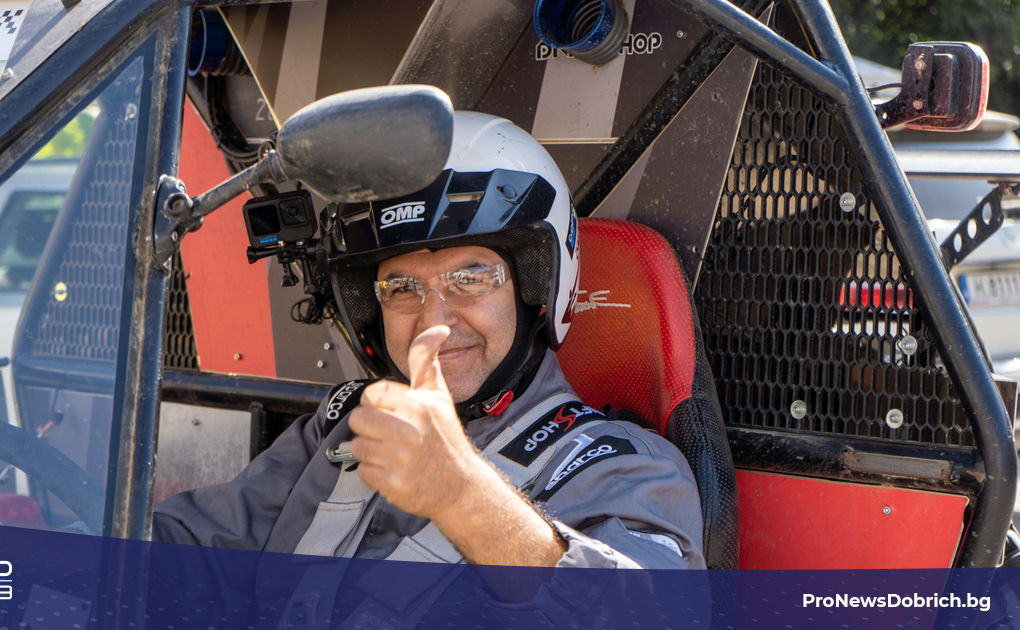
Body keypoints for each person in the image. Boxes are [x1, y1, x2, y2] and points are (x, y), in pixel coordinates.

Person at [151, 112, 706, 576]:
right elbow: (176, 550)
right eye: (401, 288)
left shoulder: (623, 466)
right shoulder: (345, 425)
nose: (433, 320)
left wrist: (461, 493)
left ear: (535, 289)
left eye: (472, 278)